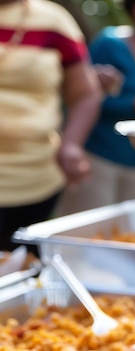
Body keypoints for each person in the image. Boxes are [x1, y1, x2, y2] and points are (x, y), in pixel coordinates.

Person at [54, 0, 135, 215]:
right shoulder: (110, 45)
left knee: (127, 238)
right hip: (99, 161)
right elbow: (82, 97)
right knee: (88, 236)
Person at [0, 0, 101, 254]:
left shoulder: (54, 21)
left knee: (22, 270)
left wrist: (71, 144)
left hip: (35, 179)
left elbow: (86, 94)